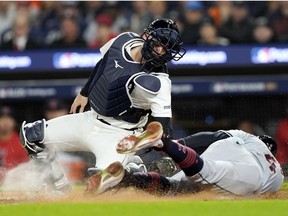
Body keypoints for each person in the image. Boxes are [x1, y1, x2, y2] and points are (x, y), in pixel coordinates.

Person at [19, 18, 186, 194]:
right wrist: (84, 93)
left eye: (167, 49)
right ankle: (58, 188)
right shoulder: (123, 40)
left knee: (98, 186)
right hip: (90, 119)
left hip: (120, 134)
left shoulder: (160, 82)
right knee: (32, 136)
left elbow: (162, 128)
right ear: (147, 36)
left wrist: (161, 154)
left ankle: (135, 167)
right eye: (158, 44)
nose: (160, 52)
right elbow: (104, 63)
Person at [86, 121, 284, 196]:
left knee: (174, 187)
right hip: (253, 174)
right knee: (205, 173)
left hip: (225, 148)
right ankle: (162, 143)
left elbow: (213, 137)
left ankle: (127, 178)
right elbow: (269, 194)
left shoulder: (250, 139)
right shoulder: (275, 168)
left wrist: (179, 142)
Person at [0, 106, 29, 183]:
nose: (5, 122)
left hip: (13, 186)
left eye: (9, 118)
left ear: (14, 121)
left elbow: (26, 168)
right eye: (2, 118)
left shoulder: (21, 142)